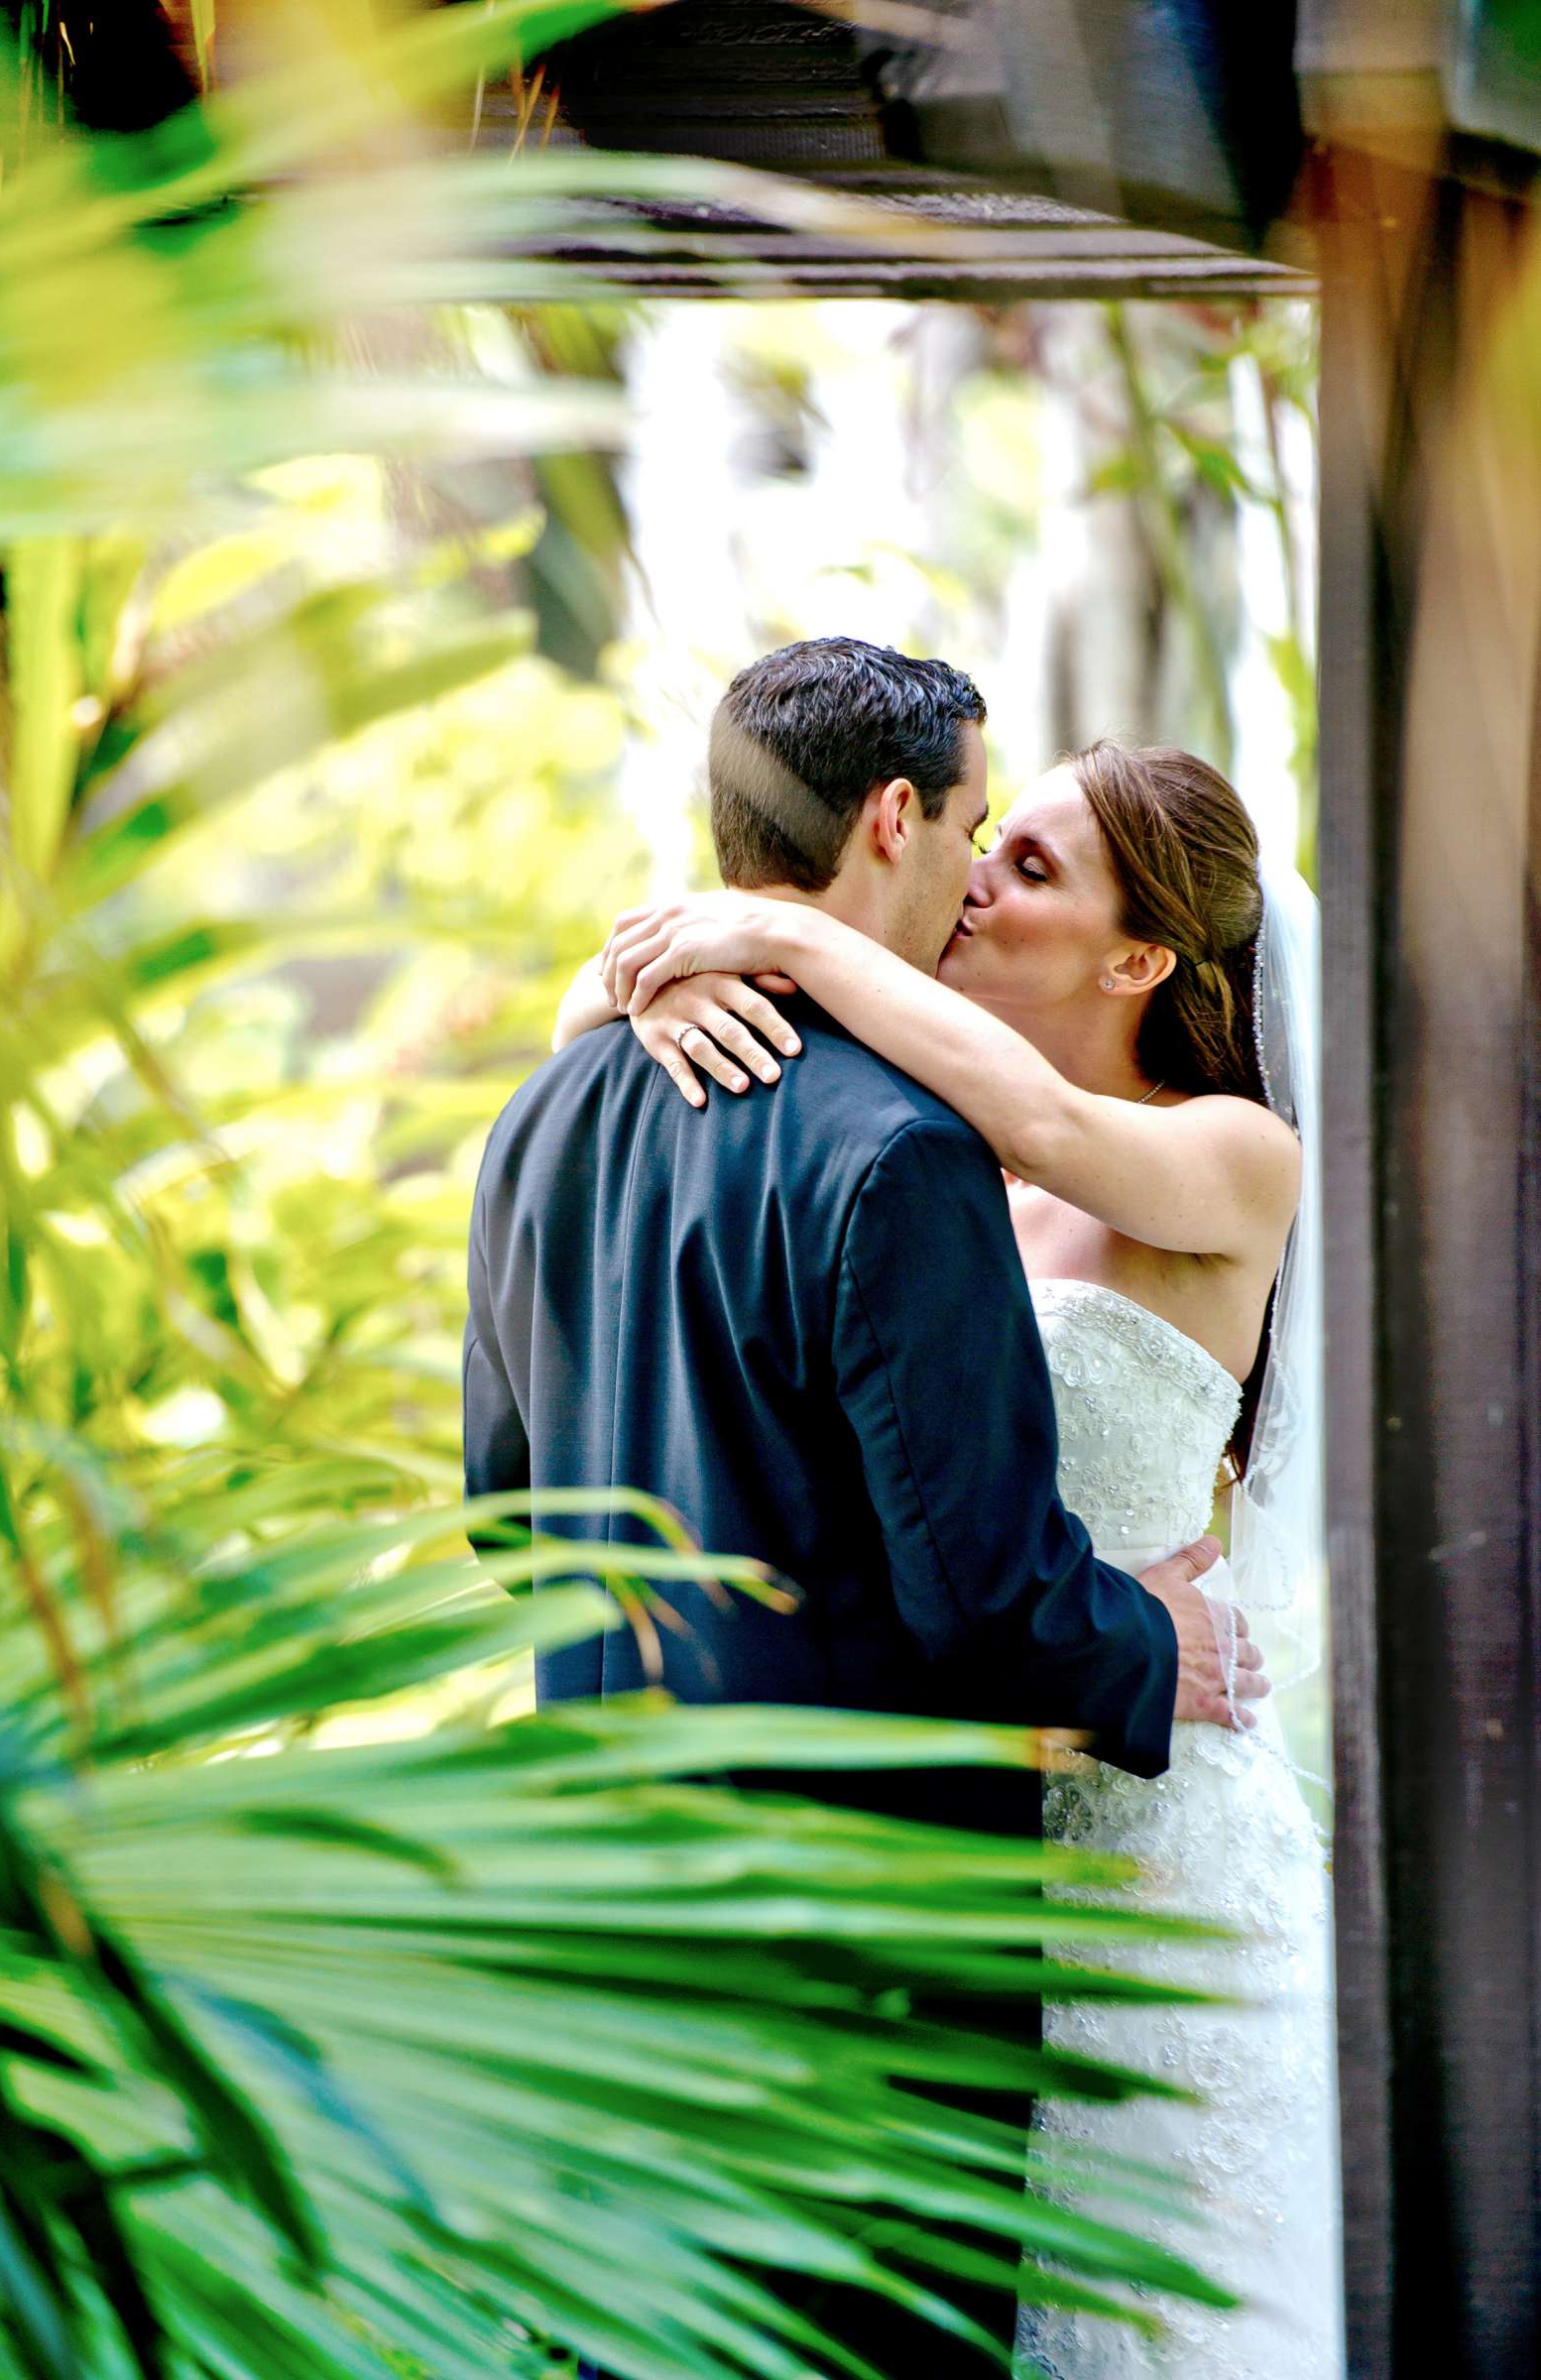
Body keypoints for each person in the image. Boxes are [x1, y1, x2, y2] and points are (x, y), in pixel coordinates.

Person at [467, 636, 1264, 2379]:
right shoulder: (900, 1150)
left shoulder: (545, 1114)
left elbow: (509, 1522)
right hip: (853, 1954)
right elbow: (978, 1590)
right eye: (979, 826)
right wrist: (1157, 1631)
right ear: (895, 816)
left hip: (606, 1911)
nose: (980, 873)